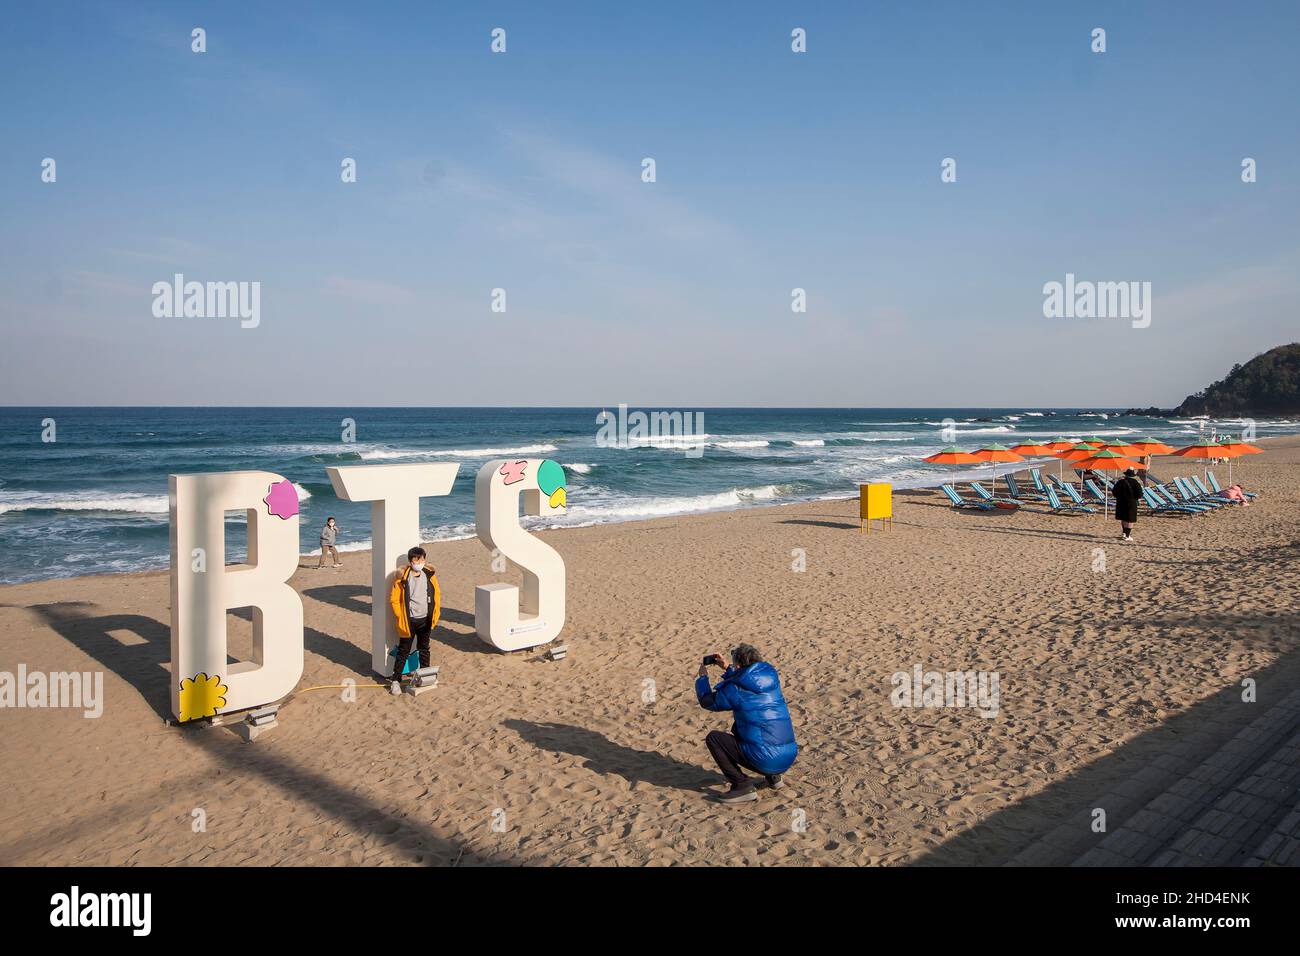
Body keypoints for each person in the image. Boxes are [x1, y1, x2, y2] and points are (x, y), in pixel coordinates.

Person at [696, 643, 798, 804]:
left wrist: (702, 679)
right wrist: (727, 668)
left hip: (765, 758)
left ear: (739, 665)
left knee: (714, 738)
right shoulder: (770, 679)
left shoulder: (736, 688)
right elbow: (747, 680)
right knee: (760, 724)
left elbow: (709, 702)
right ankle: (774, 778)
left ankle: (741, 786)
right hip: (788, 756)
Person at [387, 547, 440, 693]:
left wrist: (435, 614)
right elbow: (394, 599)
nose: (420, 562)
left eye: (422, 559)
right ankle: (395, 681)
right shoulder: (402, 577)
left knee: (424, 649)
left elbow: (437, 595)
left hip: (426, 620)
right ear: (411, 561)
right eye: (417, 560)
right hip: (409, 621)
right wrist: (400, 615)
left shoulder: (429, 575)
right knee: (403, 651)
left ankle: (425, 676)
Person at [1112, 467, 1143, 542]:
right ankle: (1127, 535)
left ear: (1126, 474)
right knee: (1129, 520)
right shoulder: (1135, 482)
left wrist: (1119, 497)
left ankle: (1124, 533)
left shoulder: (1120, 482)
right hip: (1131, 502)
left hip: (1120, 502)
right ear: (1133, 475)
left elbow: (1114, 492)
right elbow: (1139, 494)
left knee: (1123, 518)